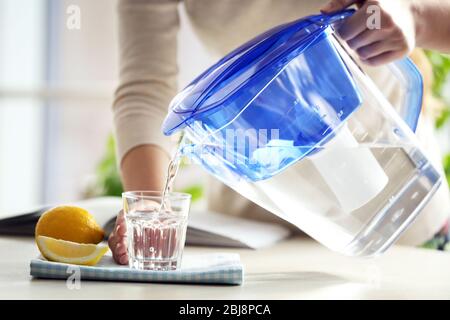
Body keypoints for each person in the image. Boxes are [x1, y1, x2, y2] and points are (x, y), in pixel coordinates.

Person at [109, 0, 450, 264]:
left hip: (402, 221)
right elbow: (146, 90)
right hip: (257, 239)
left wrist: (415, 15)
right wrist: (150, 212)